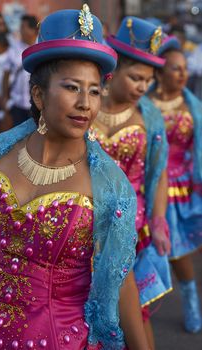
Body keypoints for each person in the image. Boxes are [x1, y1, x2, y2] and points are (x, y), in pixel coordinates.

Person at [0, 5, 150, 350]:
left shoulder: (110, 185)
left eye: (94, 91)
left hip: (58, 339)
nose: (85, 103)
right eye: (72, 87)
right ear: (38, 94)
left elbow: (120, 277)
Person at [92, 17, 172, 350]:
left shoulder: (149, 116)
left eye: (148, 81)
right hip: (87, 229)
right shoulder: (85, 107)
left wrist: (158, 220)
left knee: (134, 312)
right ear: (113, 71)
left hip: (132, 232)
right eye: (135, 77)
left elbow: (160, 171)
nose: (142, 87)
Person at [148, 35, 202, 334]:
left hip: (184, 189)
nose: (183, 74)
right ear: (159, 72)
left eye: (184, 68)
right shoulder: (145, 106)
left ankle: (191, 300)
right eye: (175, 68)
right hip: (151, 188)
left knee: (180, 252)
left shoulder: (194, 106)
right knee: (144, 253)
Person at [2, 15, 38, 128]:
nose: (20, 30)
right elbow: (6, 75)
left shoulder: (41, 48)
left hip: (37, 103)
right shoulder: (13, 49)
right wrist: (5, 98)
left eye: (23, 27)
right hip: (17, 104)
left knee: (34, 135)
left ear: (33, 30)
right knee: (17, 136)